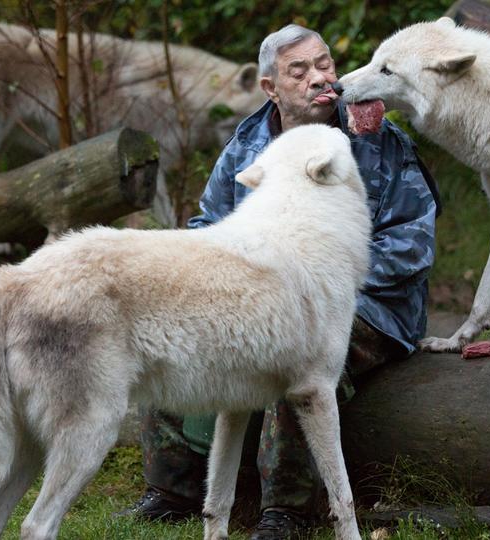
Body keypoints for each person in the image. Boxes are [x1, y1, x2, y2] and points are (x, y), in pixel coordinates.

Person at [121, 24, 439, 539]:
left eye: (325, 64)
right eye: (300, 71)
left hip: (368, 303)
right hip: (263, 294)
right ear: (271, 87)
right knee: (171, 324)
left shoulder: (375, 136)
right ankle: (171, 488)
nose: (319, 78)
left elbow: (414, 243)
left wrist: (320, 280)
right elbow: (208, 227)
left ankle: (285, 510)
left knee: (296, 358)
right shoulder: (246, 145)